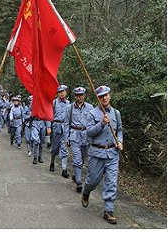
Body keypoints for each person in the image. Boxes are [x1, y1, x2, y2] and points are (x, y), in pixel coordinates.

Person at [81, 85, 125, 224]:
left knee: (111, 182)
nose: (104, 98)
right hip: (97, 153)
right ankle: (86, 191)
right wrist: (102, 123)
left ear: (110, 96)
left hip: (112, 153)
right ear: (98, 99)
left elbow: (119, 130)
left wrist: (120, 141)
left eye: (106, 95)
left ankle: (108, 210)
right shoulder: (92, 114)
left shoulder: (116, 113)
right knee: (92, 180)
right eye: (101, 96)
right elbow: (89, 132)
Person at [65, 86, 94, 192]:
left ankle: (75, 174)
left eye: (81, 95)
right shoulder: (70, 108)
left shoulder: (90, 108)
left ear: (84, 95)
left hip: (86, 135)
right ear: (75, 96)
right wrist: (66, 137)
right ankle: (78, 181)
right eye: (78, 95)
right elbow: (66, 123)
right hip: (74, 134)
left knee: (82, 158)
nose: (80, 97)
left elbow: (93, 123)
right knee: (77, 159)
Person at [50, 85, 71, 175]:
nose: (62, 93)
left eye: (63, 91)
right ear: (58, 93)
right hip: (56, 127)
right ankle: (52, 162)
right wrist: (49, 127)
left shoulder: (69, 103)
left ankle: (64, 169)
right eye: (60, 92)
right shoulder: (54, 102)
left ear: (66, 92)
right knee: (55, 148)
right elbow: (49, 115)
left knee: (64, 147)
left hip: (65, 128)